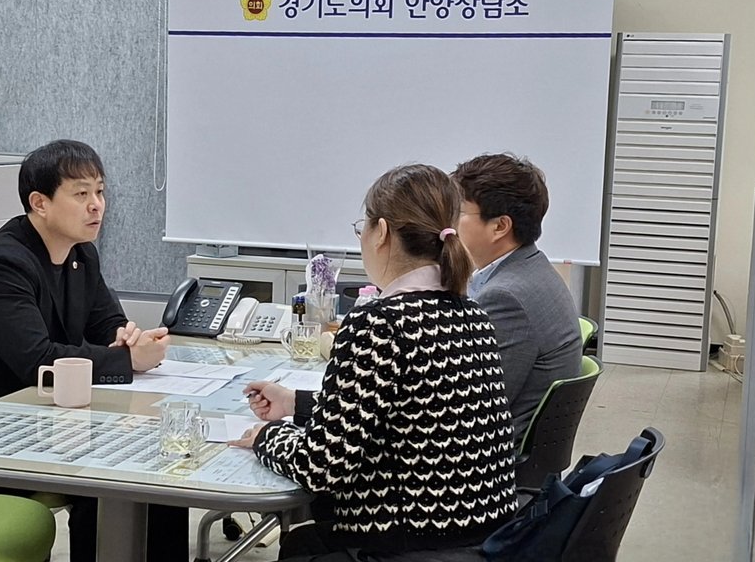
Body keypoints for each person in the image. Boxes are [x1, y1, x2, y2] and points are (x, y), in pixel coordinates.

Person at [234, 164, 517, 561]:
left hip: (405, 542)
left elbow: (320, 467)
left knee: (304, 543)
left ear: (381, 232)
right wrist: (298, 403)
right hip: (481, 538)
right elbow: (410, 409)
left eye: (361, 228)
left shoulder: (379, 323)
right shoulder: (472, 314)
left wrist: (267, 437)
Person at [0, 139, 185, 562]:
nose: (96, 205)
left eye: (100, 191)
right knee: (116, 475)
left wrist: (128, 338)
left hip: (44, 419)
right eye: (81, 194)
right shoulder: (4, 264)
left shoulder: (82, 255)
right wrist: (127, 360)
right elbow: (39, 360)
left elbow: (106, 324)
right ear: (39, 203)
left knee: (160, 469)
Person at [451, 153, 582, 439]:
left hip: (496, 456)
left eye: (458, 212)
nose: (448, 224)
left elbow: (473, 406)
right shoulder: (531, 265)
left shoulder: (505, 298)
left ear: (500, 226)